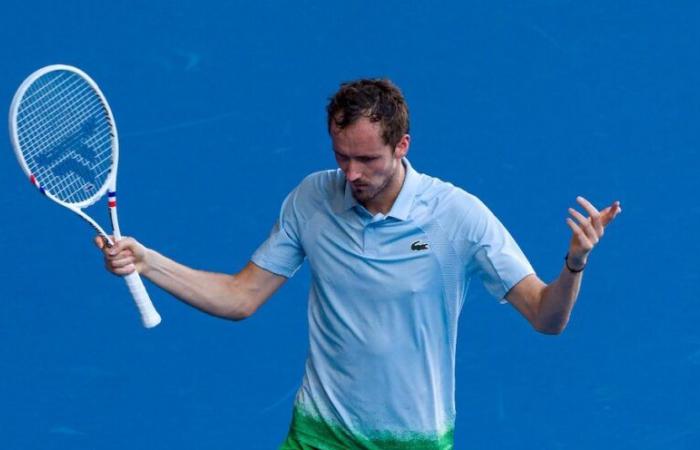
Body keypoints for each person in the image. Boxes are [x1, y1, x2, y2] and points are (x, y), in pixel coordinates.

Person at [96, 79, 621, 450]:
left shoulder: (458, 216)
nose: (351, 173)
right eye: (341, 156)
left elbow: (546, 318)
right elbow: (241, 297)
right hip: (319, 433)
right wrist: (146, 261)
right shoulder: (311, 199)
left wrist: (573, 265)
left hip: (415, 442)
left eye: (367, 159)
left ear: (402, 145)